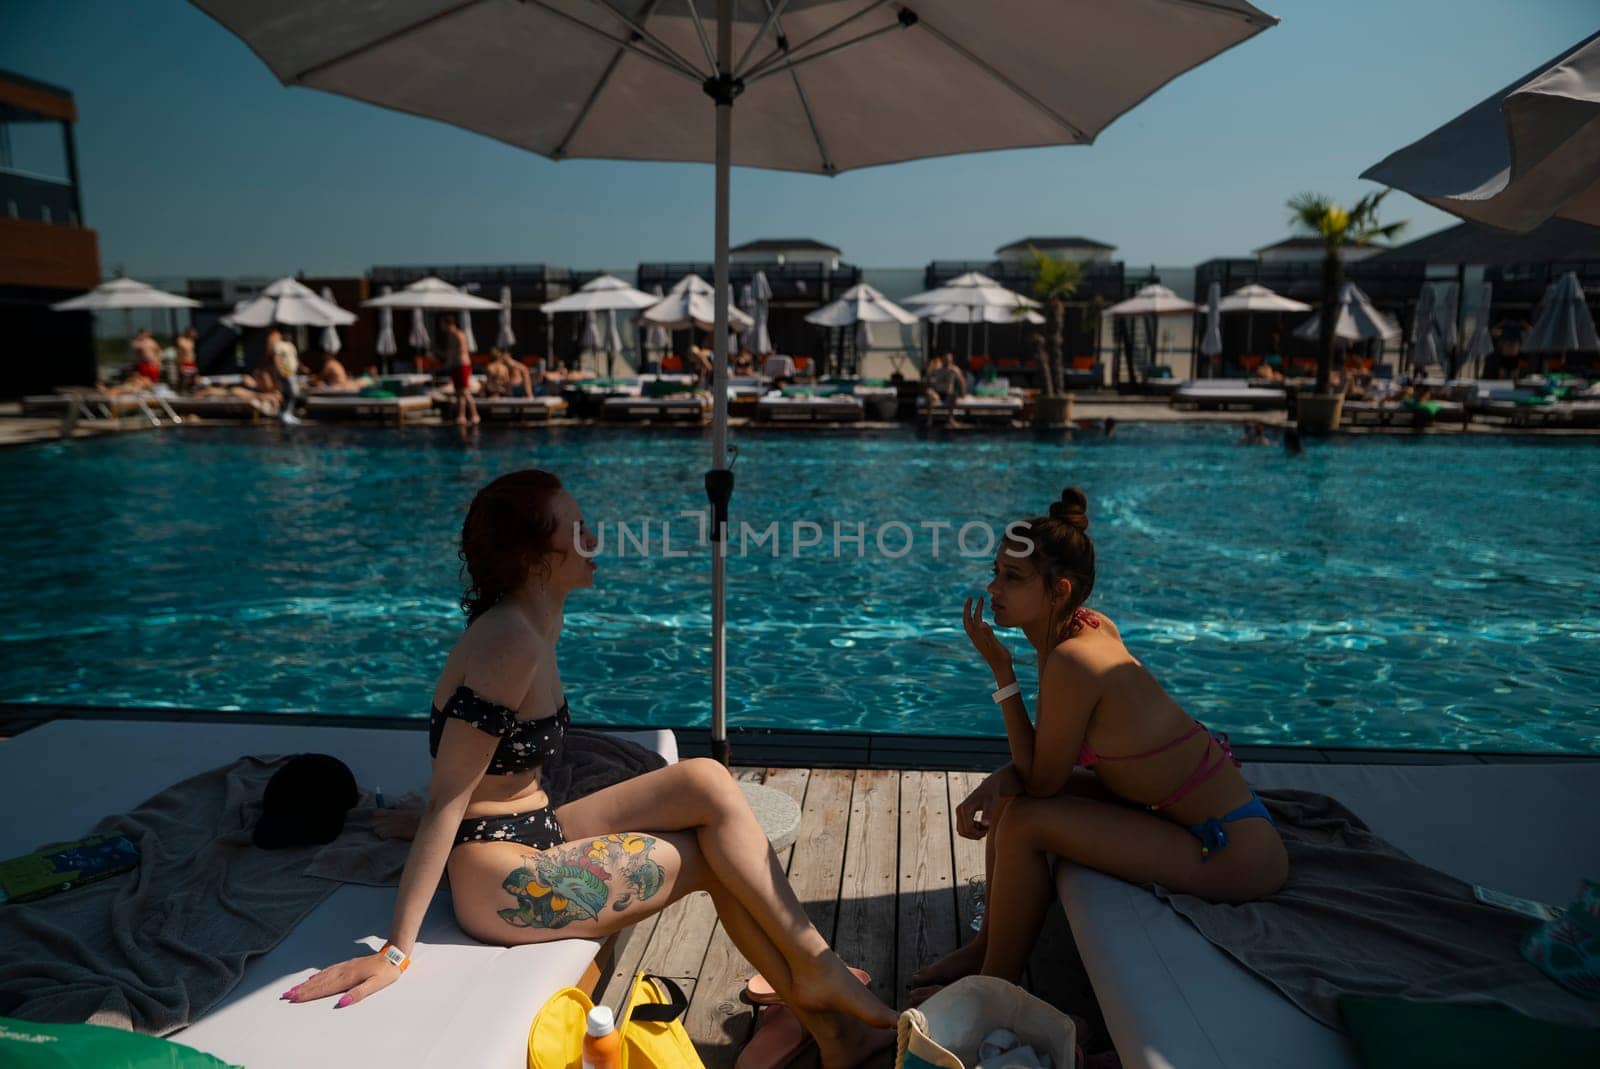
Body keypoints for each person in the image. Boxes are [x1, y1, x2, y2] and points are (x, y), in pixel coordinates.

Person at [279, 472, 898, 1068]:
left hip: (537, 825)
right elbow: (451, 797)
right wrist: (394, 951)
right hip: (497, 875)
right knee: (714, 857)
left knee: (706, 779)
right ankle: (824, 997)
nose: (596, 541)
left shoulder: (540, 620)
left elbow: (477, 763)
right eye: (578, 532)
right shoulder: (510, 643)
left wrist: (412, 817)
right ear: (535, 557)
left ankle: (819, 977)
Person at [908, 488, 1288, 1000]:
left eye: (1013, 578)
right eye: (996, 572)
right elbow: (1043, 767)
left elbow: (1044, 783)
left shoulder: (1074, 660)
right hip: (1182, 817)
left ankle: (994, 988)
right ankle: (984, 951)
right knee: (1014, 803)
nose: (994, 589)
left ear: (1059, 591)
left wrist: (1003, 674)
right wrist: (1004, 777)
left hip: (1233, 852)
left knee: (1025, 819)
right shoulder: (1079, 628)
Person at [444, 317, 480, 426]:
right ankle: (462, 416)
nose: (442, 327)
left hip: (462, 365)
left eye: (442, 324)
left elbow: (462, 350)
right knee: (459, 392)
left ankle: (475, 415)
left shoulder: (458, 335)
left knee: (465, 391)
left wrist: (449, 361)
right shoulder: (452, 335)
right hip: (457, 365)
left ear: (448, 324)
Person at [921, 352, 967, 428]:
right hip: (937, 393)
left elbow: (962, 381)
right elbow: (927, 377)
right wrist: (930, 368)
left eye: (948, 360)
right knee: (929, 393)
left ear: (951, 360)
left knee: (953, 395)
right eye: (945, 359)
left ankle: (950, 419)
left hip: (948, 394)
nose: (947, 361)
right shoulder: (937, 368)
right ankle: (929, 419)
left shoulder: (954, 369)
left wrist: (963, 394)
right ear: (942, 359)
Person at [267, 328, 301, 425]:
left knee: (290, 393)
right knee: (293, 392)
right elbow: (276, 359)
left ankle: (287, 413)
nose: (289, 336)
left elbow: (294, 358)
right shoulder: (279, 345)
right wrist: (280, 371)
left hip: (292, 372)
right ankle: (286, 413)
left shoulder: (290, 345)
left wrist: (301, 368)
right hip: (285, 372)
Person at [175, 327, 200, 393]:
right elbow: (179, 354)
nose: (195, 334)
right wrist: (180, 365)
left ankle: (191, 392)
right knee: (184, 380)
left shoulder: (192, 341)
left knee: (195, 379)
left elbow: (191, 354)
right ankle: (181, 392)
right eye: (193, 332)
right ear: (189, 332)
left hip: (191, 363)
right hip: (184, 362)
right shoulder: (181, 340)